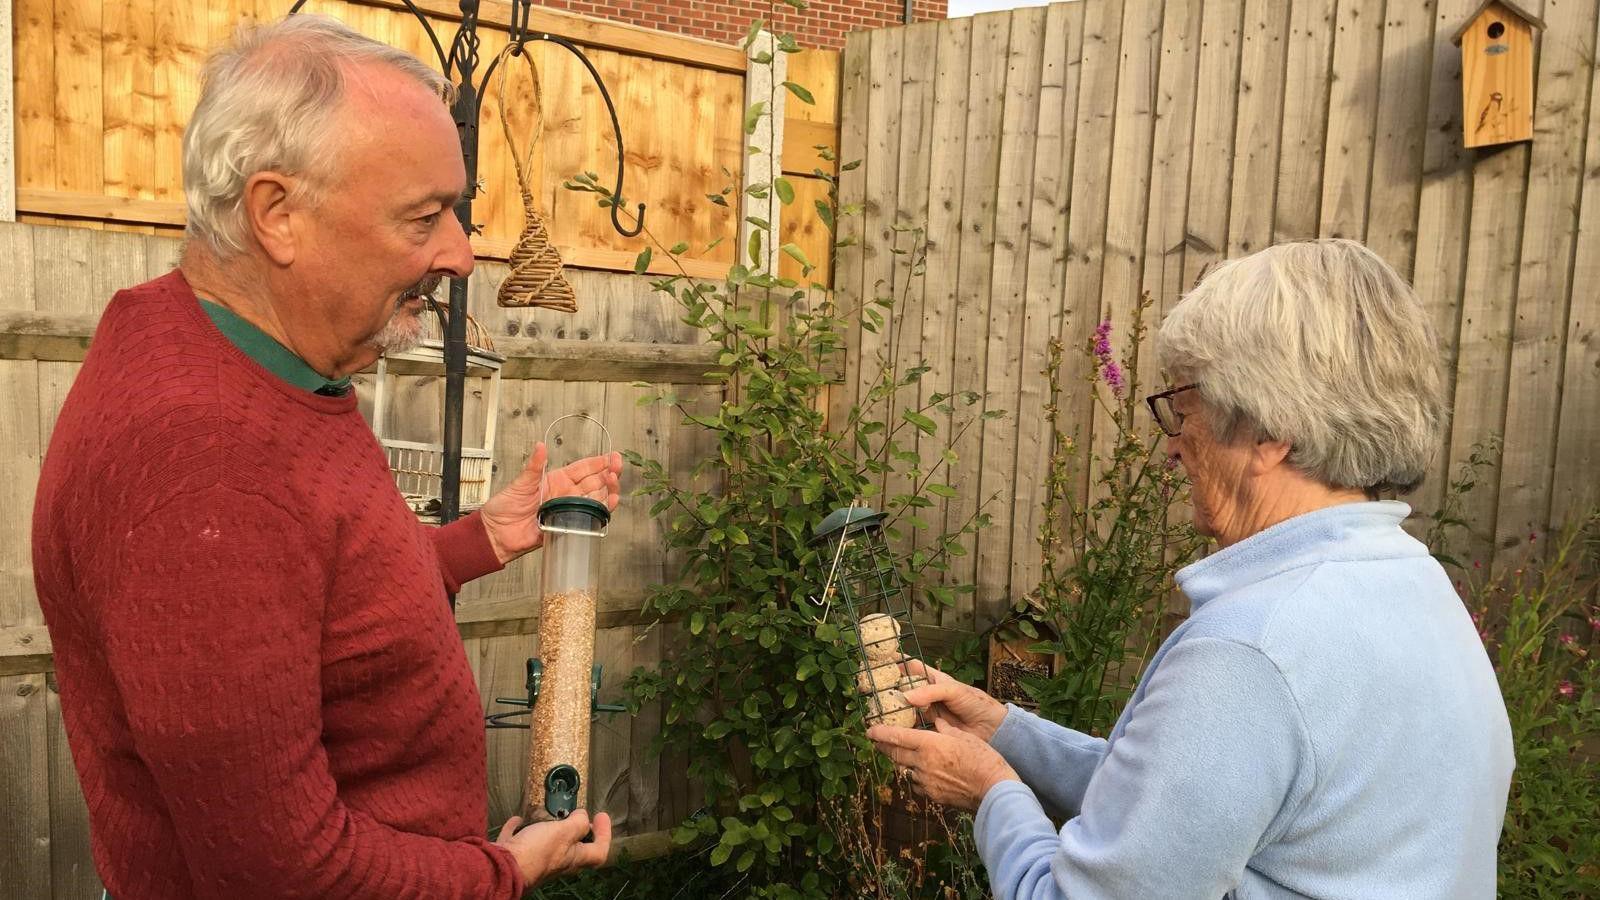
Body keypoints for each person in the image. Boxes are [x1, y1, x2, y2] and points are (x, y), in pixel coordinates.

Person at [31, 15, 622, 899]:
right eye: (425, 217)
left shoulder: (251, 355)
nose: (461, 254)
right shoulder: (200, 459)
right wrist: (497, 872)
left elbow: (298, 605)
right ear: (279, 215)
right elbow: (280, 872)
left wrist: (476, 543)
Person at [869, 239, 1514, 899]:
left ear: (1271, 431)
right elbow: (1189, 809)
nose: (1173, 447)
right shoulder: (1411, 585)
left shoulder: (1252, 646)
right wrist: (1008, 732)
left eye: (1185, 410)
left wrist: (993, 791)